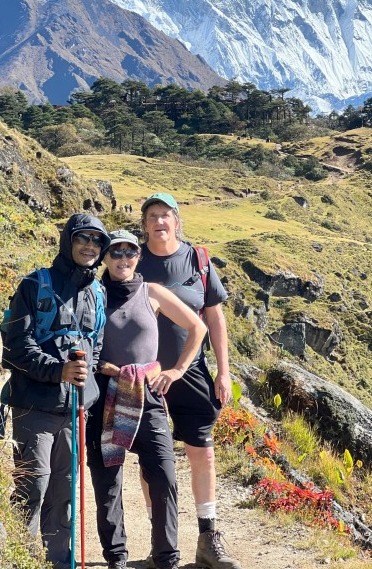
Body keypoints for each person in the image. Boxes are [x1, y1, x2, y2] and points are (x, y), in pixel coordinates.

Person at [87, 229, 208, 569]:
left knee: (163, 474)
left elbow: (197, 328)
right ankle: (116, 557)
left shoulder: (151, 292)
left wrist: (177, 370)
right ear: (104, 257)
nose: (123, 259)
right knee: (107, 479)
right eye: (115, 252)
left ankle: (166, 557)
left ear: (138, 257)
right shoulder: (93, 294)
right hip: (104, 392)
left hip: (148, 392)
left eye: (129, 252)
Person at [1, 213, 111, 569]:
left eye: (97, 241)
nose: (90, 246)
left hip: (75, 410)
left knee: (64, 491)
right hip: (34, 406)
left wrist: (85, 383)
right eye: (83, 238)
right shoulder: (35, 284)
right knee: (33, 486)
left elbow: (96, 345)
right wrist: (58, 370)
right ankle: (20, 559)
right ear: (68, 241)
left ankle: (59, 562)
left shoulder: (97, 293)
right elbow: (15, 347)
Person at [138, 193, 241, 569]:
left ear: (177, 221)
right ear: (144, 225)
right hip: (145, 374)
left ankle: (208, 538)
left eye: (165, 215)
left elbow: (215, 319)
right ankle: (160, 541)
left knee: (203, 453)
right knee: (151, 459)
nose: (159, 222)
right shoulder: (132, 260)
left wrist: (223, 372)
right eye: (152, 216)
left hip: (192, 370)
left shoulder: (198, 260)